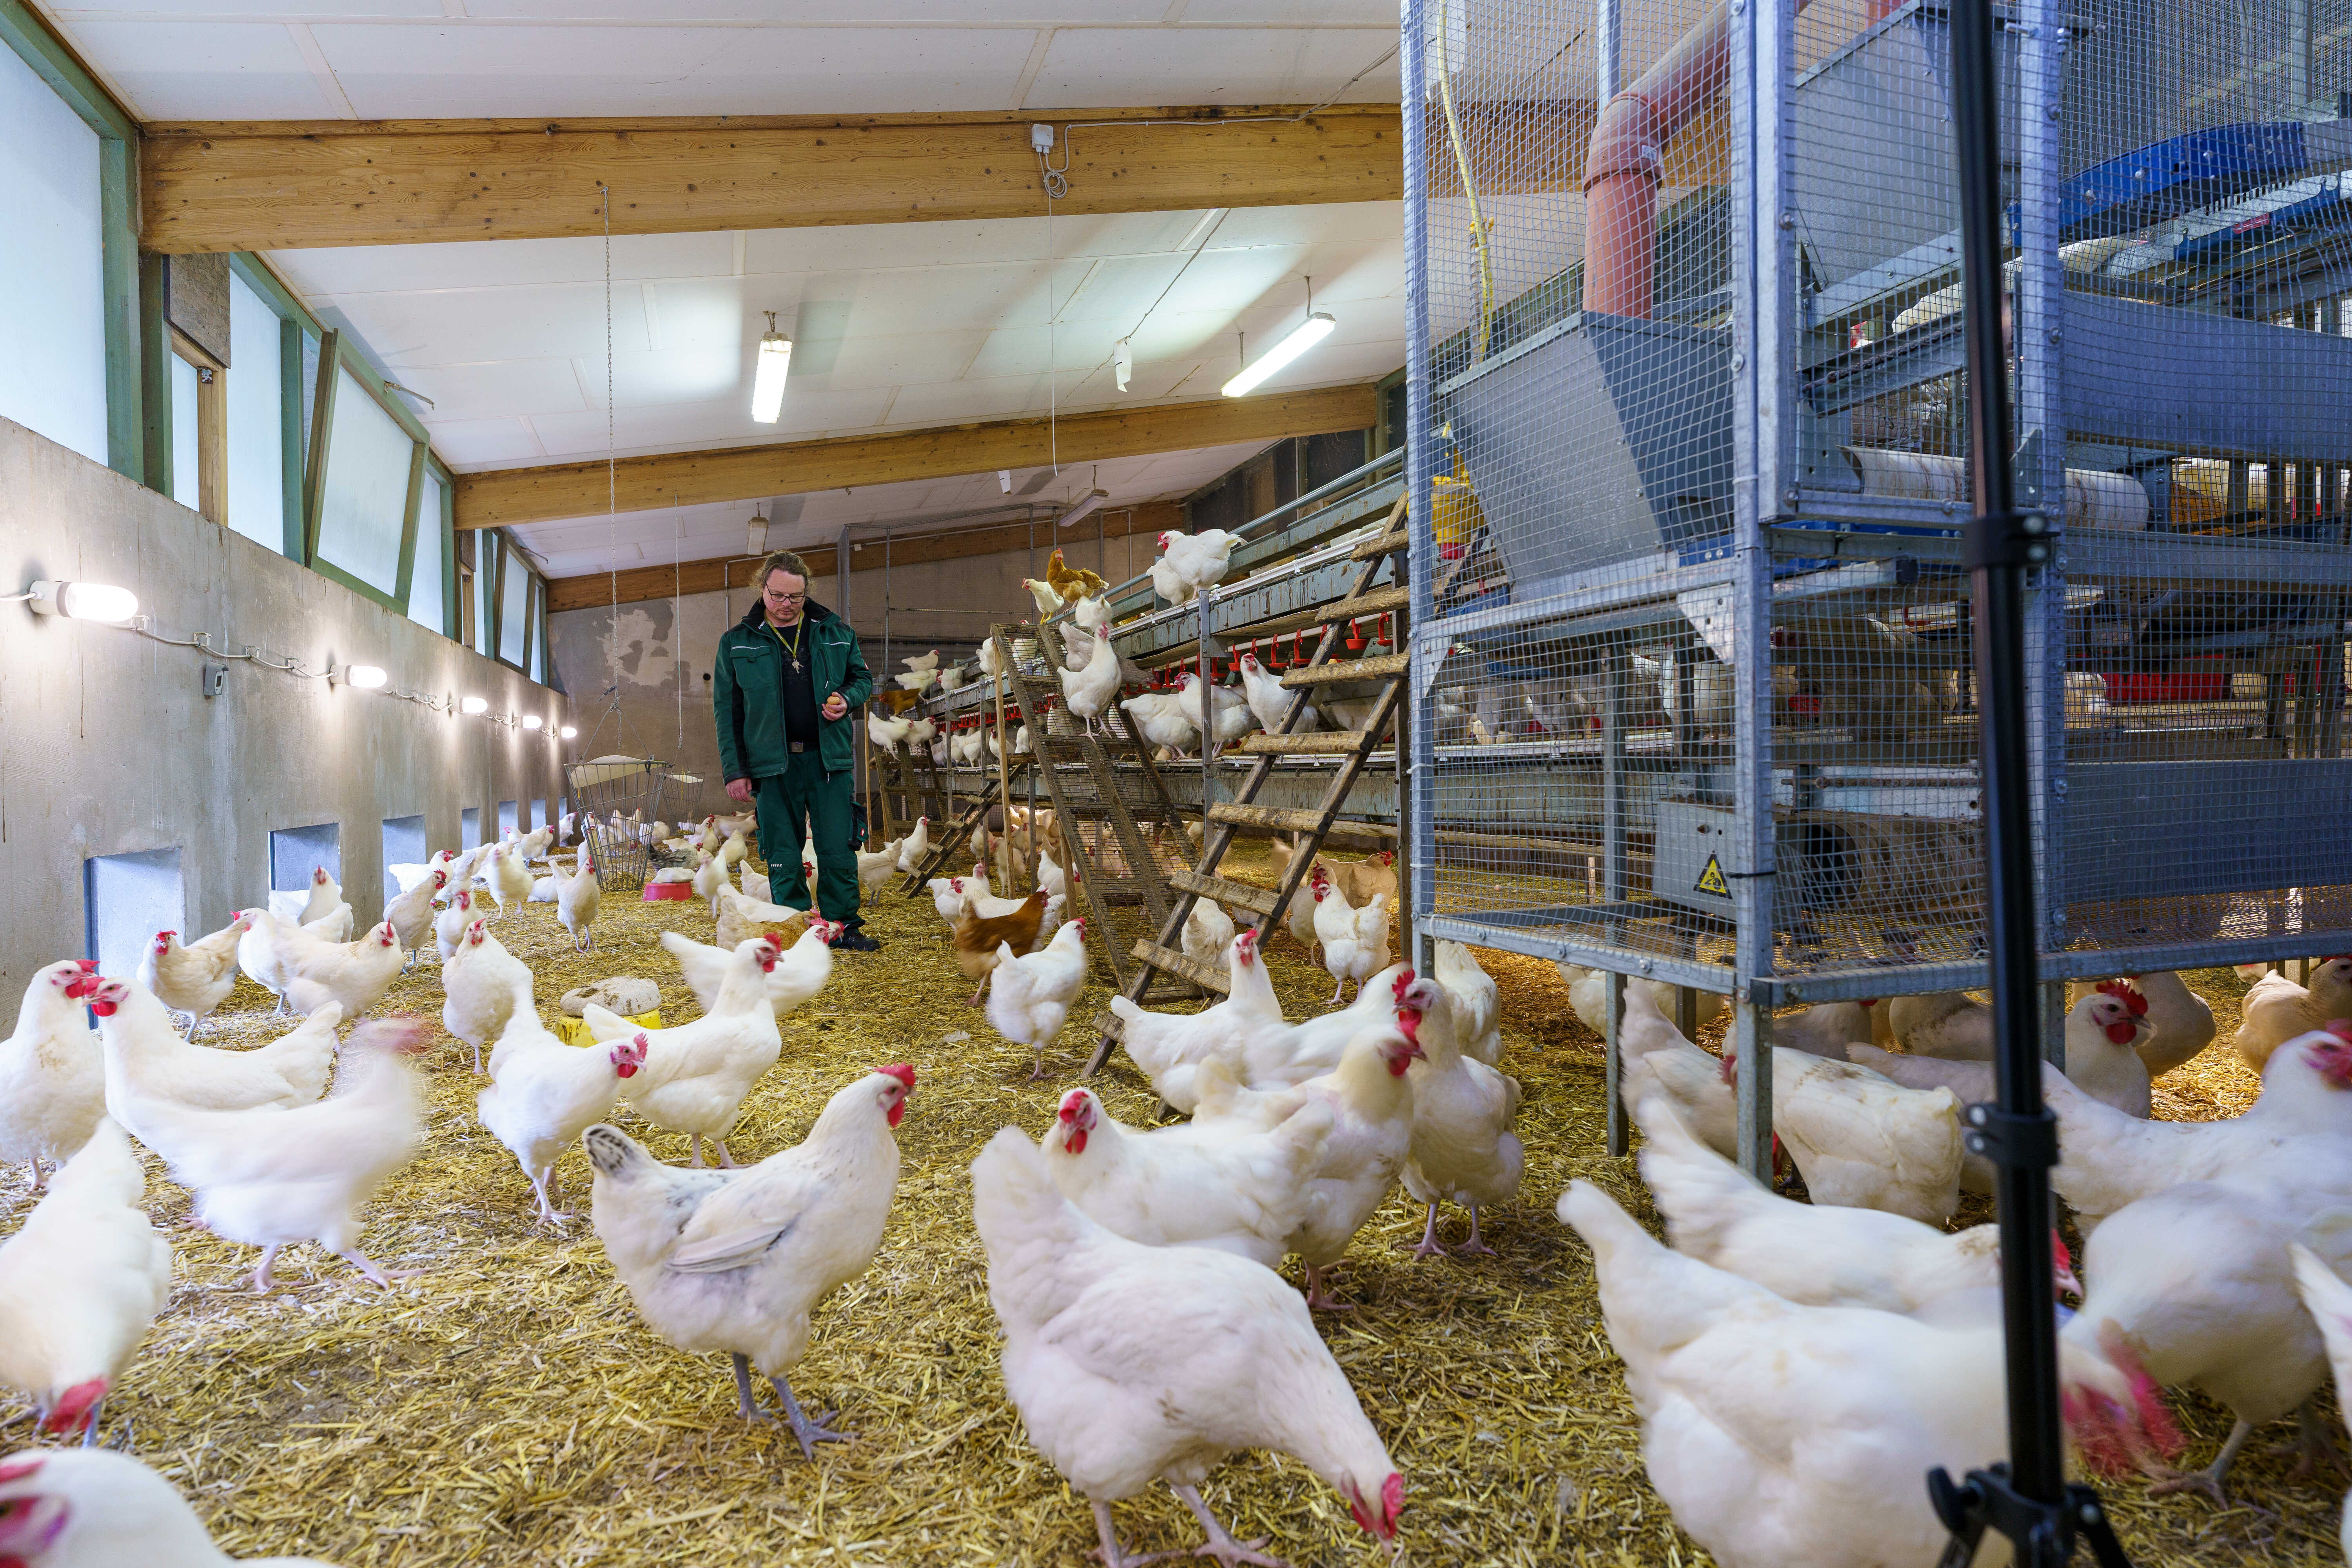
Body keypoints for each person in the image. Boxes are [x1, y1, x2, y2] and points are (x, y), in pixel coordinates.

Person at [712, 550, 881, 951]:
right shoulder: (737, 642)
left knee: (838, 848)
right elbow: (727, 711)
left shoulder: (835, 631)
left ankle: (843, 928)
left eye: (796, 597)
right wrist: (735, 770)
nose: (786, 604)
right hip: (772, 764)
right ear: (762, 588)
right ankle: (797, 931)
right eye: (778, 595)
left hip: (828, 760)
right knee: (783, 853)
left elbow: (862, 678)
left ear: (807, 592)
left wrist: (847, 697)